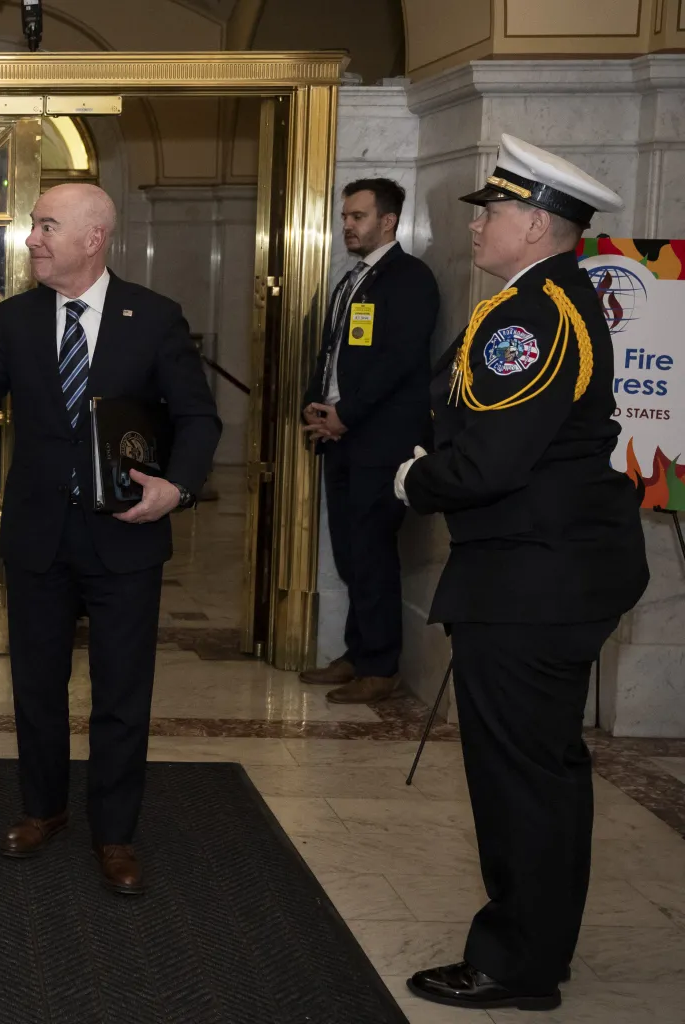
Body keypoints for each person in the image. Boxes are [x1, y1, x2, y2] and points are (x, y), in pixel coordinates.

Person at [396, 135, 648, 1012]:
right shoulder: (553, 297)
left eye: (495, 211)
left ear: (537, 224)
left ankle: (515, 964)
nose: (481, 226)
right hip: (558, 569)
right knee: (546, 773)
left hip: (532, 578)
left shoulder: (528, 315)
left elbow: (488, 461)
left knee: (520, 783)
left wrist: (412, 478)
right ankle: (542, 946)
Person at [0, 183, 221, 895]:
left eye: (47, 226)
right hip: (39, 538)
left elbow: (198, 419)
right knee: (36, 686)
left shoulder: (154, 318)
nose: (31, 238)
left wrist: (174, 489)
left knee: (121, 692)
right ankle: (43, 809)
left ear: (95, 238)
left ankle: (115, 832)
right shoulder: (15, 319)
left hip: (126, 535)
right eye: (33, 225)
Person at [299, 179, 440, 704]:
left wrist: (347, 415)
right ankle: (358, 654)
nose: (347, 225)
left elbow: (399, 363)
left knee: (374, 551)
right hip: (341, 437)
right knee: (352, 553)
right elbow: (332, 351)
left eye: (357, 216)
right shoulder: (350, 281)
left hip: (381, 441)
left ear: (388, 221)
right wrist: (314, 404)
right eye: (345, 216)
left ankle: (380, 666)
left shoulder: (410, 279)